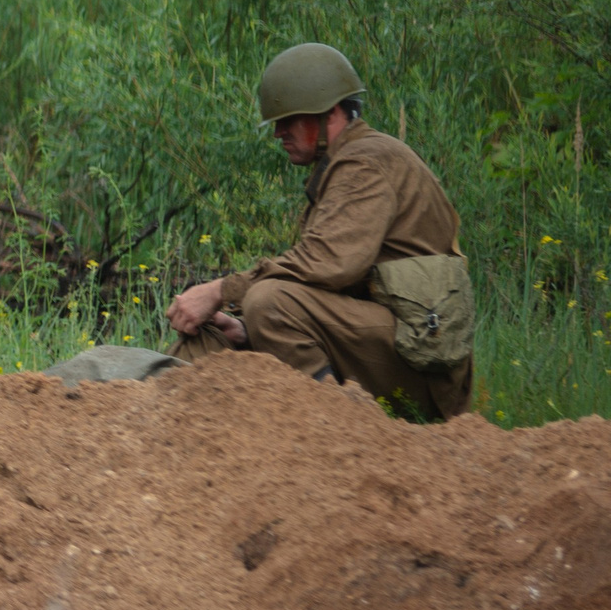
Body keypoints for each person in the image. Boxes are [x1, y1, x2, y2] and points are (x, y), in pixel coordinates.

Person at [166, 44, 475, 419]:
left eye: (289, 120)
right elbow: (331, 290)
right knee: (220, 335)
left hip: (423, 367)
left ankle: (338, 432)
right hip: (393, 346)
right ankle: (146, 417)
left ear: (329, 113)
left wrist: (219, 291)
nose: (278, 133)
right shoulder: (347, 163)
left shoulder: (366, 164)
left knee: (269, 302)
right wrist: (246, 331)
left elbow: (328, 265)